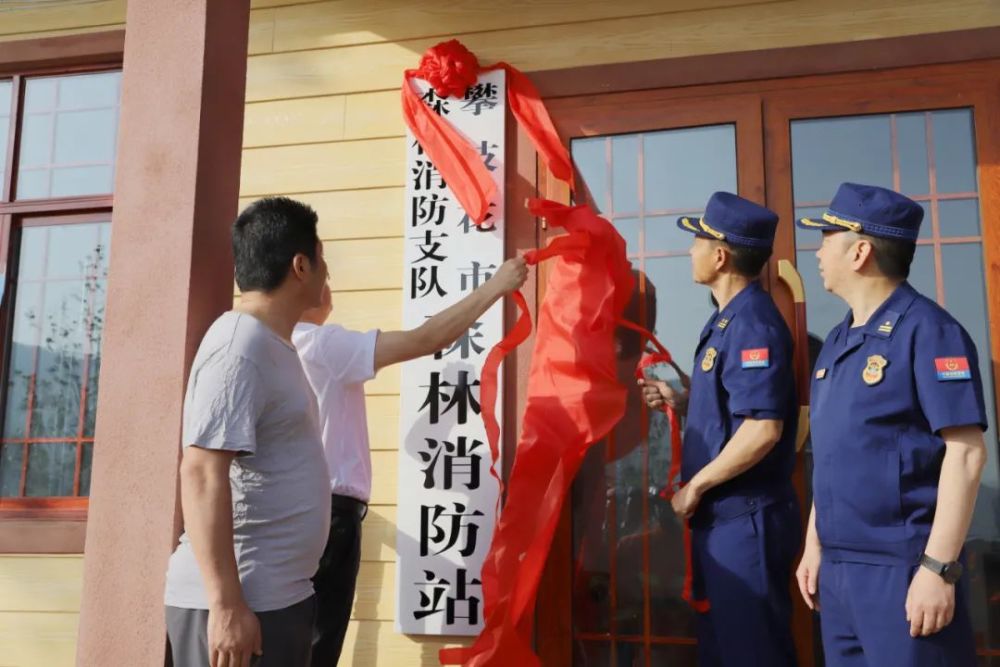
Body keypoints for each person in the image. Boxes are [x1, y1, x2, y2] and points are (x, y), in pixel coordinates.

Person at [294, 257, 528, 666]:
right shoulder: (322, 345)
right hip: (329, 519)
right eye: (323, 272)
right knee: (317, 648)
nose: (329, 281)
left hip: (294, 512)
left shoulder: (275, 346)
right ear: (299, 273)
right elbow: (425, 339)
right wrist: (496, 286)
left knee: (292, 639)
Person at [794, 182, 987, 666]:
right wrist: (815, 543)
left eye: (827, 237)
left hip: (901, 568)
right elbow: (835, 454)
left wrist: (938, 568)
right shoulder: (837, 342)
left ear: (860, 250)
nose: (817, 251)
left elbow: (966, 452)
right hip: (838, 571)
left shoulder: (930, 331)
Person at [163, 197, 331, 667]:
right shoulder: (240, 347)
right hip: (242, 607)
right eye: (322, 258)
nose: (326, 270)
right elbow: (199, 471)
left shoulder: (273, 345)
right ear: (301, 265)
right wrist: (227, 605)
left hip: (277, 598)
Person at [639, 191, 799, 666]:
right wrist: (684, 402)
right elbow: (736, 412)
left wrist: (696, 486)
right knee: (724, 649)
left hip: (744, 518)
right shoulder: (727, 322)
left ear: (720, 254)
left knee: (752, 651)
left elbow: (763, 429)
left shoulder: (752, 324)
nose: (691, 251)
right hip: (725, 520)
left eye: (698, 241)